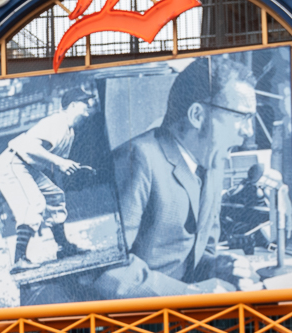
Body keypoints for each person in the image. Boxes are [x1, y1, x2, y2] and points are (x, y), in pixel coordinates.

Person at [97, 57, 257, 298]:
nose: (249, 131)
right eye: (241, 117)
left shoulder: (212, 163)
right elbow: (105, 269)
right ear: (197, 115)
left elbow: (195, 255)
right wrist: (190, 294)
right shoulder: (137, 159)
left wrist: (217, 265)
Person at [0, 87, 98, 272]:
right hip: (12, 161)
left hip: (28, 166)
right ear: (72, 105)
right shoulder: (57, 122)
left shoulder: (69, 132)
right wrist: (60, 161)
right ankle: (19, 259)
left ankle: (63, 247)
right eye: (84, 103)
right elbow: (30, 146)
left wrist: (64, 166)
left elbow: (51, 164)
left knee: (55, 197)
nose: (88, 107)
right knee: (34, 204)